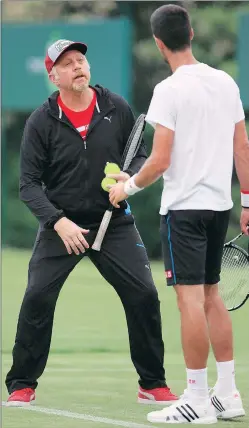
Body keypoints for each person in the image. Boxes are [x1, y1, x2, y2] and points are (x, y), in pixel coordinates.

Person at [5, 39, 178, 407]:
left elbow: (139, 151)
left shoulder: (116, 107)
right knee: (37, 297)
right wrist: (57, 222)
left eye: (80, 60)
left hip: (113, 223)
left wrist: (128, 181)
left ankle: (152, 383)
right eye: (67, 64)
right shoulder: (41, 121)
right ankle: (21, 384)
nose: (77, 67)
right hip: (62, 226)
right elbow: (29, 186)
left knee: (144, 295)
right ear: (53, 77)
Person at [109, 4, 249, 425]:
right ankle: (228, 394)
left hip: (184, 211)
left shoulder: (168, 90)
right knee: (210, 296)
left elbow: (159, 161)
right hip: (219, 207)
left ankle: (197, 399)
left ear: (158, 43)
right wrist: (248, 202)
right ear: (190, 31)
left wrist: (126, 187)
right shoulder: (225, 82)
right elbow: (242, 147)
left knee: (190, 300)